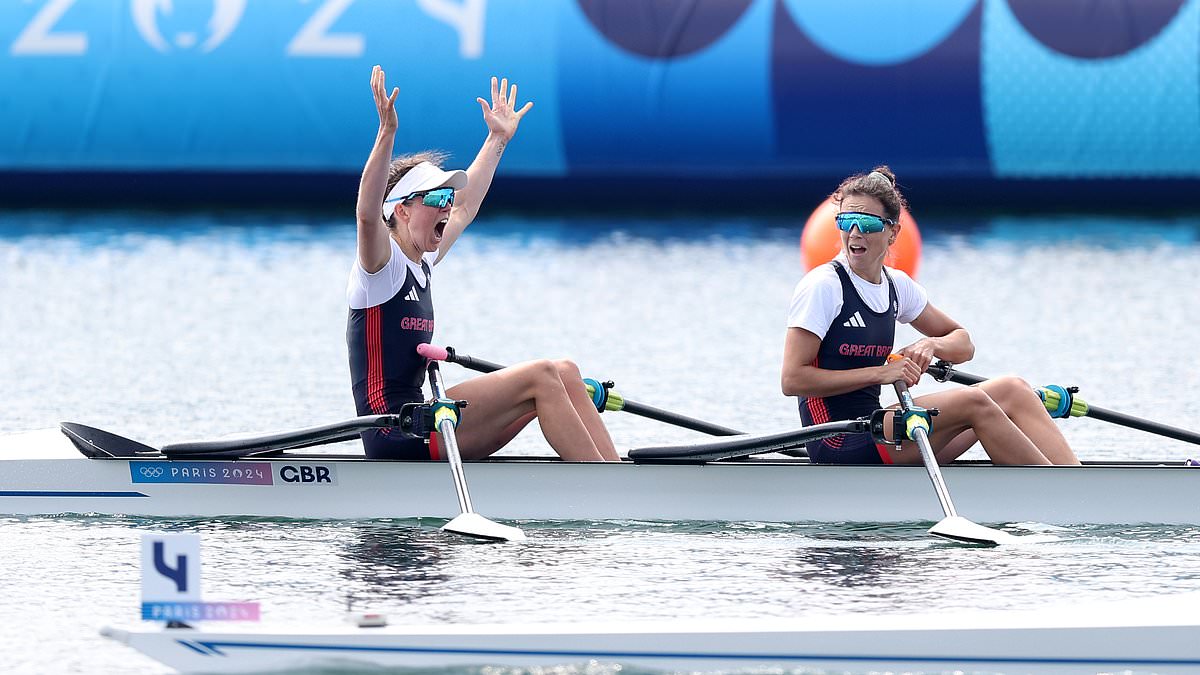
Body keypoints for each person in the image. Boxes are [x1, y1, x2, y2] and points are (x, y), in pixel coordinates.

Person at [347, 65, 619, 462]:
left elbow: (468, 205)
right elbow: (368, 215)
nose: (448, 207)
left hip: (426, 418)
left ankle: (611, 473)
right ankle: (606, 491)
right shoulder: (379, 267)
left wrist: (497, 139)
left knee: (564, 371)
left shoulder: (423, 260)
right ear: (402, 211)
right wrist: (386, 134)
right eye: (436, 199)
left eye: (447, 198)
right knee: (542, 375)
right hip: (393, 432)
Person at [781, 166, 1080, 466]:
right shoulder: (824, 286)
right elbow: (792, 379)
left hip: (883, 426)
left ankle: (1075, 483)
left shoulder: (897, 286)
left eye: (868, 223)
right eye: (846, 221)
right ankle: (1061, 497)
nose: (855, 232)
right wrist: (881, 374)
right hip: (836, 438)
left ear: (893, 232)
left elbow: (964, 344)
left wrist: (931, 346)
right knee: (973, 401)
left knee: (1012, 389)